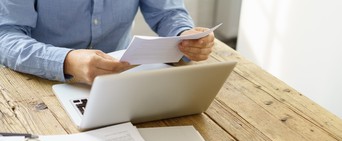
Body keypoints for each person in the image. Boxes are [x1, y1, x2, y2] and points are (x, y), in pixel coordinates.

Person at [0, 1, 215, 85]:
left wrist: (185, 35)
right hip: (41, 82)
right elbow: (6, 36)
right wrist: (67, 61)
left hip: (121, 80)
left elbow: (168, 13)